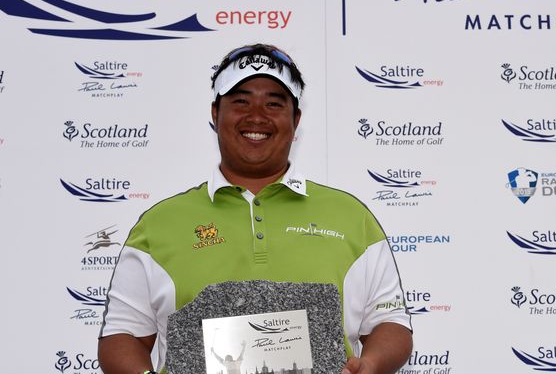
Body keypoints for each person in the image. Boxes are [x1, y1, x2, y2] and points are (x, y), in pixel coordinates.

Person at [98, 43, 413, 374]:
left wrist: (372, 364)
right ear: (215, 113)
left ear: (296, 119)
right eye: (241, 101)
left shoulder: (351, 217)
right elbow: (123, 334)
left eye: (274, 103)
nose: (257, 116)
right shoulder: (159, 224)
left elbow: (389, 322)